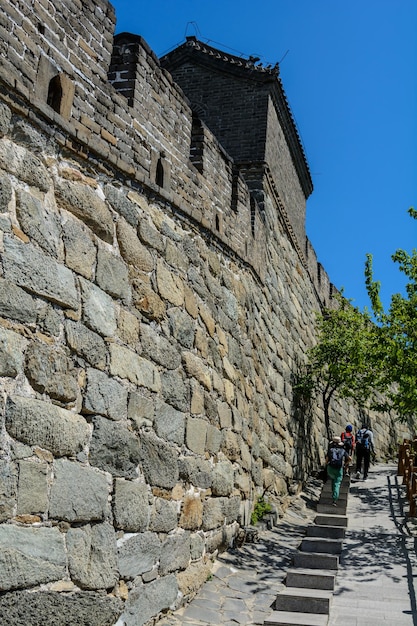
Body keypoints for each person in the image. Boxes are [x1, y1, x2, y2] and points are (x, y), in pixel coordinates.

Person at [326, 436, 351, 506]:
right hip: (339, 469)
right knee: (337, 483)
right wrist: (345, 464)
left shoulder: (330, 450)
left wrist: (327, 464)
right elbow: (350, 459)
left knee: (333, 480)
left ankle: (333, 492)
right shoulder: (343, 451)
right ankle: (334, 500)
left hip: (330, 469)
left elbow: (327, 459)